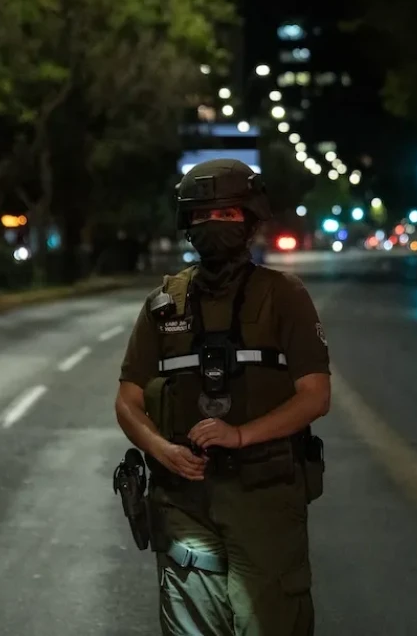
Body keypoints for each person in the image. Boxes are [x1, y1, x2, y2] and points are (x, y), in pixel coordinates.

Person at [114, 158, 331, 636]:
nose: (214, 225)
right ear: (187, 225)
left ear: (250, 220)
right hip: (183, 501)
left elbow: (315, 396)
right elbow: (128, 400)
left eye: (228, 215)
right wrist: (162, 450)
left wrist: (240, 435)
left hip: (266, 496)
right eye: (202, 216)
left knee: (272, 620)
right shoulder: (163, 302)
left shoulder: (284, 295)